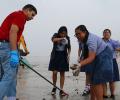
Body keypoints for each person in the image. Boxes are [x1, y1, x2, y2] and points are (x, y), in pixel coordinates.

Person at [0, 4, 37, 100]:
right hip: (8, 47)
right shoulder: (21, 16)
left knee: (9, 77)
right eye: (32, 15)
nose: (32, 18)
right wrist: (13, 52)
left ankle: (11, 98)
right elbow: (13, 32)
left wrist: (16, 52)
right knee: (9, 76)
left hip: (4, 46)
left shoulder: (16, 15)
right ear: (27, 10)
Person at [73, 25, 113, 100]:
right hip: (96, 56)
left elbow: (91, 57)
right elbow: (85, 53)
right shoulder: (81, 40)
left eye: (79, 33)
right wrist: (79, 66)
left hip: (104, 54)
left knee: (97, 81)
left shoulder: (91, 40)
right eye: (76, 34)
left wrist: (79, 65)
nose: (77, 36)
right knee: (92, 79)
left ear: (85, 32)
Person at [49, 26, 71, 96]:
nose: (63, 35)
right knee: (55, 72)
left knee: (62, 73)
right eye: (62, 33)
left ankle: (61, 89)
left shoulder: (67, 38)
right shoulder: (56, 35)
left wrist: (68, 55)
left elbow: (69, 47)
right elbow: (53, 40)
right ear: (59, 32)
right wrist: (62, 38)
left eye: (65, 34)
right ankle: (54, 87)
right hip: (55, 55)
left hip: (63, 55)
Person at [102, 29, 120, 99]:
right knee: (103, 80)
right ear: (103, 34)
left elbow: (119, 48)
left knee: (112, 79)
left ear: (110, 34)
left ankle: (112, 94)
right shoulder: (100, 41)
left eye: (108, 33)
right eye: (105, 32)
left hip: (112, 61)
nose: (106, 34)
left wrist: (116, 49)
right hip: (102, 62)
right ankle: (105, 94)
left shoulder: (113, 42)